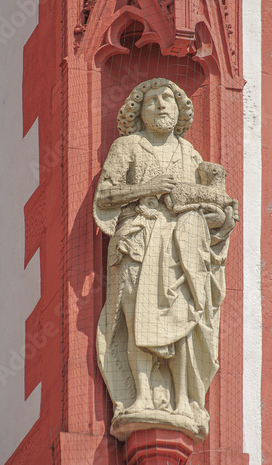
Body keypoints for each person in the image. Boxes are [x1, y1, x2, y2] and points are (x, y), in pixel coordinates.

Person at [93, 78, 236, 440]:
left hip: (182, 250)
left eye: (168, 99)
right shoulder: (128, 146)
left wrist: (219, 216)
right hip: (138, 241)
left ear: (180, 109)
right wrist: (149, 188)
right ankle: (140, 396)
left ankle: (185, 400)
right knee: (136, 317)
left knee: (186, 320)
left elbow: (212, 208)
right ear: (138, 112)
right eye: (152, 100)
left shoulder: (190, 154)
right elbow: (106, 194)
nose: (161, 106)